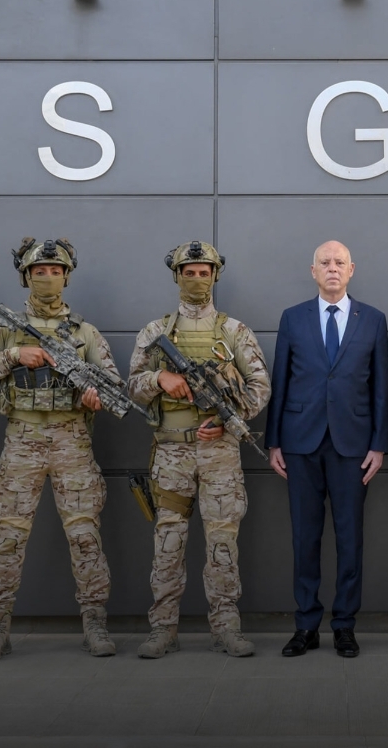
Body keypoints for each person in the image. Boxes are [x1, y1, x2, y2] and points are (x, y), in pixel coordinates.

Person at [0, 238, 118, 661]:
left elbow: (113, 384)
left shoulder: (85, 332)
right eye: (39, 271)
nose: (48, 278)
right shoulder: (4, 329)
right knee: (9, 537)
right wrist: (14, 355)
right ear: (26, 276)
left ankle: (95, 622)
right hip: (21, 442)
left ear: (67, 276)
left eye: (55, 271)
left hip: (73, 444)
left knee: (85, 536)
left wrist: (96, 397)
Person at [127, 241, 271, 659]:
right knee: (167, 542)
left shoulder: (234, 332)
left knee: (223, 544)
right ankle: (162, 630)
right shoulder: (154, 332)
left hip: (219, 454)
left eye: (203, 272)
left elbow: (260, 387)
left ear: (214, 276)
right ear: (177, 276)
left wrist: (227, 420)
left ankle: (226, 628)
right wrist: (160, 380)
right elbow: (131, 386)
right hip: (171, 453)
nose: (196, 279)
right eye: (188, 273)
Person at [266, 240, 388, 658]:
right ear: (313, 271)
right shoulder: (292, 317)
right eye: (325, 262)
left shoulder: (372, 319)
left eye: (339, 262)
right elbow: (280, 381)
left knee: (350, 540)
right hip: (300, 444)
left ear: (351, 270)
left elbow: (380, 387)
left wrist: (379, 445)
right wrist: (274, 440)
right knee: (305, 538)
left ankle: (344, 626)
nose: (332, 268)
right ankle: (306, 625)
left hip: (353, 447)